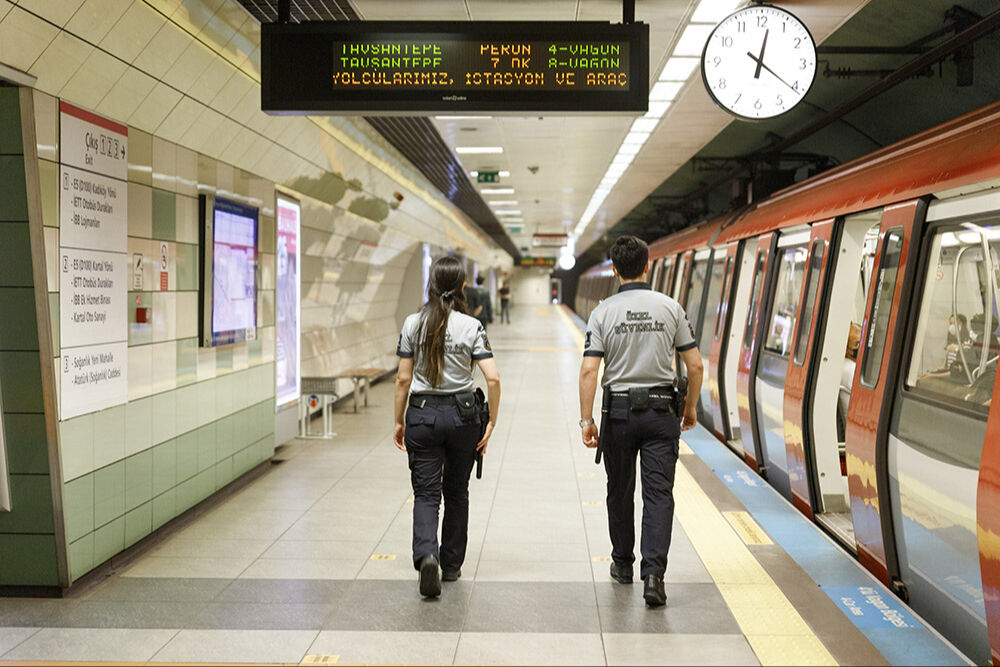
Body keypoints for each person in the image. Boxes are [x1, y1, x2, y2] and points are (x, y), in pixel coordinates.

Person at [578, 235, 703, 608]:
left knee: (619, 490)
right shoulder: (670, 308)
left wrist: (586, 421)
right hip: (662, 411)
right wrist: (691, 407)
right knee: (658, 493)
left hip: (617, 413)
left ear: (615, 271)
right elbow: (694, 365)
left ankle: (622, 564)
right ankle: (655, 575)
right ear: (647, 266)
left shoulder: (603, 312)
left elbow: (589, 370)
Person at [394, 256, 501, 598]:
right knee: (457, 490)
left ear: (431, 285)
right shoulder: (472, 326)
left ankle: (428, 554)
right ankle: (451, 565)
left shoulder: (413, 323)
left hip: (422, 415)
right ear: (463, 287)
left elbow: (402, 378)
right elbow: (493, 378)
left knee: (426, 493)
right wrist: (492, 421)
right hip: (463, 417)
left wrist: (399, 420)